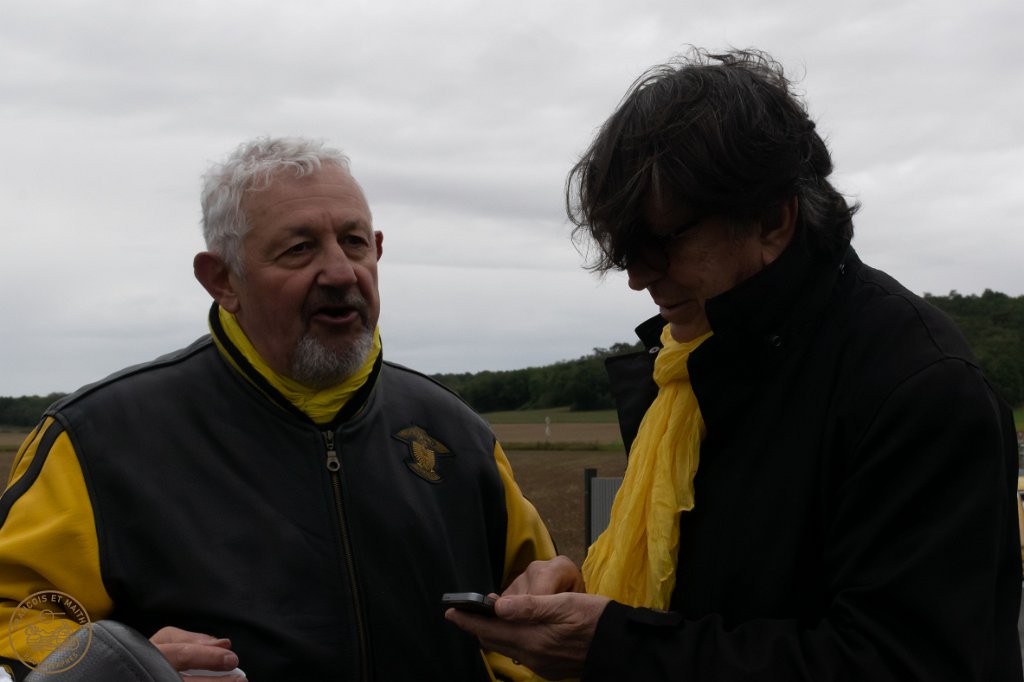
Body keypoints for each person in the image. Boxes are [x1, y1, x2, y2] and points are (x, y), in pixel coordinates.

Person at [447, 48, 1023, 681]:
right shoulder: (693, 371)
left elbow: (905, 663)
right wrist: (584, 596)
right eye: (626, 250)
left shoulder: (920, 390)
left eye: (662, 241)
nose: (638, 277)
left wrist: (614, 646)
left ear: (772, 219)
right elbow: (711, 601)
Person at [0, 136, 555, 681]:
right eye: (299, 249)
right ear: (222, 280)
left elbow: (533, 623)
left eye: (354, 243)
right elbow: (14, 618)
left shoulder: (455, 433)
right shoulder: (98, 439)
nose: (341, 273)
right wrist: (119, 667)